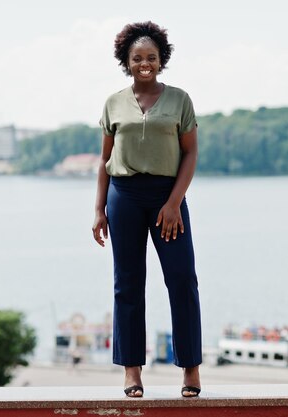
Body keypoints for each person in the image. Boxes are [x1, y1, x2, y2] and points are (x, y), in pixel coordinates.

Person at [92, 21, 202, 398]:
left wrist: (173, 202)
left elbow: (190, 153)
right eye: (137, 57)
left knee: (182, 278)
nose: (144, 63)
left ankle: (190, 369)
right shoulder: (113, 103)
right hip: (123, 197)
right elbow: (105, 160)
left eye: (151, 57)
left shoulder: (179, 100)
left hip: (167, 197)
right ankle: (132, 372)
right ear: (126, 60)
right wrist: (98, 210)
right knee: (128, 284)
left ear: (161, 60)